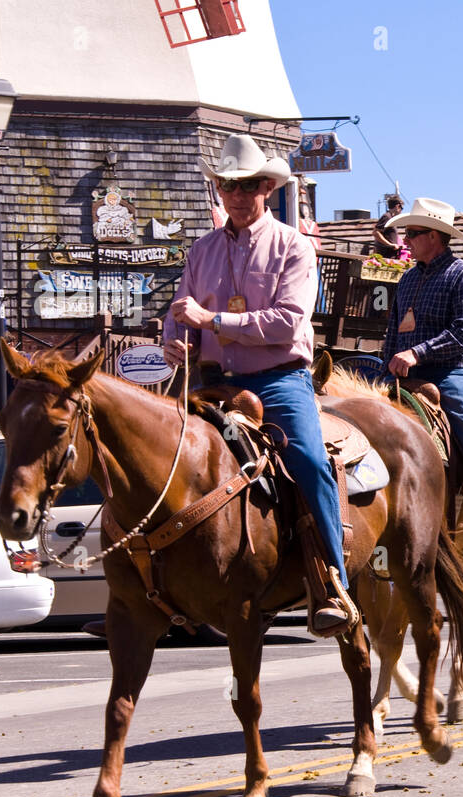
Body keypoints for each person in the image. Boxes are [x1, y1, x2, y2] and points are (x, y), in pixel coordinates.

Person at [162, 133, 353, 633]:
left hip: (277, 381)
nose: (238, 196)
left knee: (310, 462)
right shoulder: (200, 251)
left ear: (267, 187)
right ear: (218, 191)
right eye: (229, 186)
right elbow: (182, 310)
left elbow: (290, 323)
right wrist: (173, 338)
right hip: (208, 381)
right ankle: (155, 581)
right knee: (154, 453)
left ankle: (331, 580)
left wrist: (212, 321)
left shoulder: (294, 247)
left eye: (248, 186)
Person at [382, 197, 463, 558]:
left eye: (413, 233)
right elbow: (393, 332)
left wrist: (416, 353)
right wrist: (386, 363)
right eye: (405, 233)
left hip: (451, 372)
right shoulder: (407, 280)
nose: (405, 240)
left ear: (436, 236)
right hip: (403, 375)